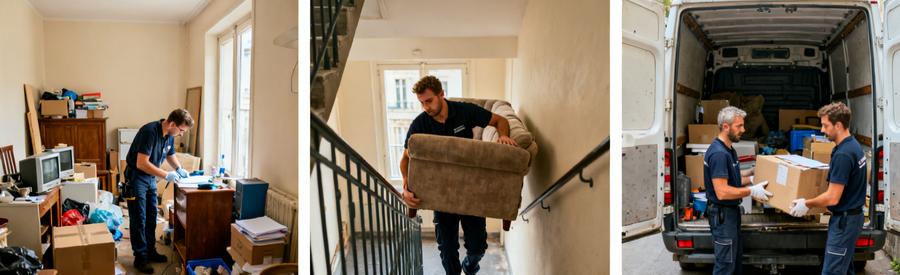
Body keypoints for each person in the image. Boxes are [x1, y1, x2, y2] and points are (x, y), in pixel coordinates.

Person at [399, 75, 517, 275]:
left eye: (429, 101)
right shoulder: (420, 124)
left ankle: (469, 268)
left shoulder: (463, 111)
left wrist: (503, 135)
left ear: (441, 95)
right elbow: (405, 159)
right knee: (447, 251)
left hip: (471, 192)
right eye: (421, 103)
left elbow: (500, 121)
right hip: (441, 196)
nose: (425, 107)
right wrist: (405, 184)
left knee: (478, 248)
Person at [789, 102, 867, 275]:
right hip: (852, 219)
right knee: (844, 269)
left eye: (825, 125)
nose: (822, 130)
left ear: (838, 125)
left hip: (844, 223)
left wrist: (807, 203)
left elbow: (832, 197)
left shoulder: (844, 154)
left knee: (832, 272)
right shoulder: (853, 146)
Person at [123, 109, 193, 273]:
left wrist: (180, 168)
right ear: (172, 124)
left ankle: (150, 251)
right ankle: (140, 258)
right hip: (136, 178)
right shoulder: (149, 132)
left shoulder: (169, 135)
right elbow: (141, 163)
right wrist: (166, 174)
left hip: (150, 179)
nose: (181, 134)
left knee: (152, 216)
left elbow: (170, 154)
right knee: (139, 218)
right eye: (181, 130)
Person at [703, 106, 772, 275]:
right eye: (739, 126)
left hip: (730, 214)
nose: (744, 129)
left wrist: (752, 176)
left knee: (734, 262)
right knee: (725, 266)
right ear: (726, 127)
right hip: (722, 215)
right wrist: (751, 191)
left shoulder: (729, 149)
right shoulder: (719, 154)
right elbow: (722, 191)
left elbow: (733, 179)